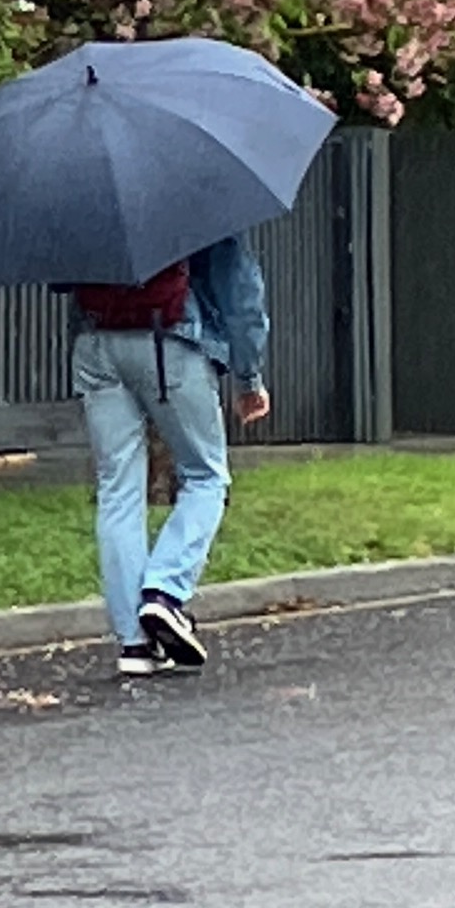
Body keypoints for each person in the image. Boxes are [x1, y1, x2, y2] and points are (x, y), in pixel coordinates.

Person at [68, 235, 268, 679]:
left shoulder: (88, 197)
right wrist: (249, 377)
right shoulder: (195, 195)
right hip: (170, 340)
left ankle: (135, 643)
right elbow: (239, 287)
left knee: (117, 487)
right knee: (206, 476)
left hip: (95, 345)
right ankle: (164, 592)